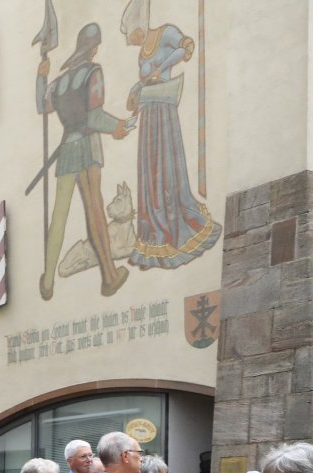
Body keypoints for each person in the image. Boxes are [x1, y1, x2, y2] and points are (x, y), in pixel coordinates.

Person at [37, 22, 134, 300]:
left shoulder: (58, 83)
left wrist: (41, 77)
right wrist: (117, 126)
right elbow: (94, 116)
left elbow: (42, 105)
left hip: (67, 148)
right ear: (92, 48)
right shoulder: (93, 72)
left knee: (59, 214)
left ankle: (47, 280)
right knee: (94, 210)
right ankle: (110, 277)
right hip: (88, 146)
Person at [119, 0, 219, 270]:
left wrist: (161, 68)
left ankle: (172, 224)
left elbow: (186, 48)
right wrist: (135, 92)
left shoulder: (166, 33)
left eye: (133, 35)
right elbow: (143, 80)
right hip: (148, 113)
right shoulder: (141, 53)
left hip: (164, 109)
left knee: (165, 165)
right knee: (150, 170)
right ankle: (152, 232)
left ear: (141, 25)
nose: (133, 41)